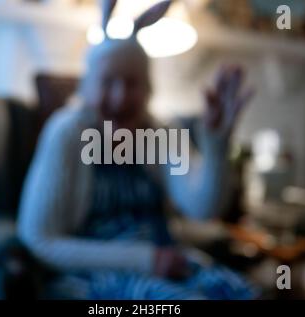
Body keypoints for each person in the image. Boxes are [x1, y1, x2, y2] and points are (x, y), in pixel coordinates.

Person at [18, 0, 257, 299]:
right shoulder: (66, 132)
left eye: (132, 83)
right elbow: (38, 240)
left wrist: (215, 144)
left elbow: (203, 209)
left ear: (147, 89)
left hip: (169, 265)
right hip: (94, 277)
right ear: (88, 87)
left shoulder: (161, 131)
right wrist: (145, 260)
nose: (120, 96)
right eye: (108, 81)